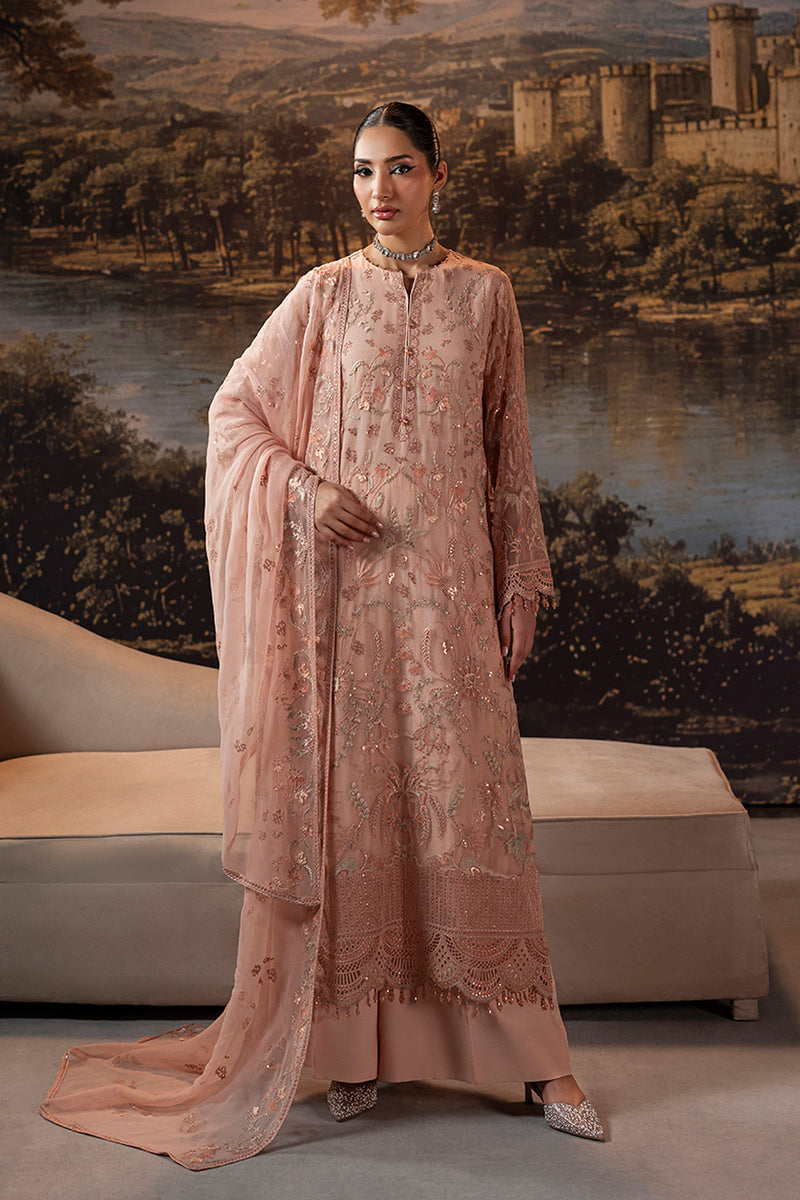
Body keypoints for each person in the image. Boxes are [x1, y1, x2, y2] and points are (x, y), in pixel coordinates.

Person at [40, 101, 604, 1170]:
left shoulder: (486, 295)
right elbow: (234, 417)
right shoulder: (322, 294)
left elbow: (508, 448)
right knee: (356, 814)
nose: (379, 190)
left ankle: (540, 1063)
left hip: (449, 590)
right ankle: (352, 1048)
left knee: (471, 815)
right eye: (362, 171)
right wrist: (306, 493)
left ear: (439, 176)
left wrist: (521, 580)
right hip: (344, 598)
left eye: (400, 168)